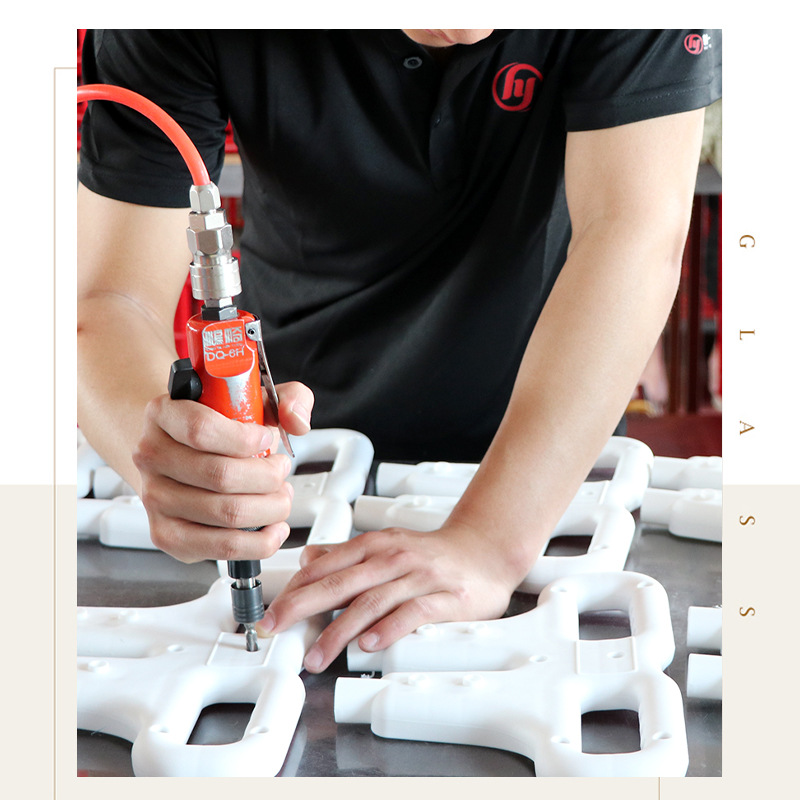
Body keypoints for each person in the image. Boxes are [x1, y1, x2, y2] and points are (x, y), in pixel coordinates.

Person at [77, 29, 722, 674]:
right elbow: (109, 298)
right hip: (296, 464)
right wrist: (179, 466)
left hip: (545, 474)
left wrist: (491, 540)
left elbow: (632, 234)